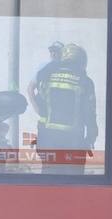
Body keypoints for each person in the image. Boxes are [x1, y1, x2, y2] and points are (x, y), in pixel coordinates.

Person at [35, 43, 98, 173]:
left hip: (48, 139)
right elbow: (90, 114)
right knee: (73, 180)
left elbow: (40, 104)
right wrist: (91, 138)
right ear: (81, 61)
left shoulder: (47, 77)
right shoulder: (85, 81)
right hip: (74, 141)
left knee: (49, 178)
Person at [27, 40, 64, 119]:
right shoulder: (43, 67)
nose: (53, 54)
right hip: (45, 112)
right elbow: (30, 88)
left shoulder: (66, 69)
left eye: (56, 51)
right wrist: (37, 108)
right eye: (51, 51)